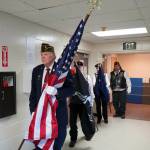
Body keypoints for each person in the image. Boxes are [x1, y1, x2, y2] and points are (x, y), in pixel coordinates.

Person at [29, 43, 74, 150]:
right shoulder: (37, 70)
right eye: (41, 54)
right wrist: (33, 111)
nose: (43, 57)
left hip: (57, 116)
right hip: (41, 116)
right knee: (41, 145)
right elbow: (33, 93)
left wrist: (57, 92)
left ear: (53, 56)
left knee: (56, 145)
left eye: (46, 54)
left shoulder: (62, 70)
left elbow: (72, 90)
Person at [69, 61, 95, 148]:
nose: (79, 67)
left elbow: (91, 91)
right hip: (73, 103)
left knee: (85, 121)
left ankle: (88, 134)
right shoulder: (71, 77)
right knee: (72, 122)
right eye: (77, 65)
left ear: (83, 67)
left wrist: (90, 103)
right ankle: (73, 139)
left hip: (84, 104)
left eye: (81, 65)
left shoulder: (87, 77)